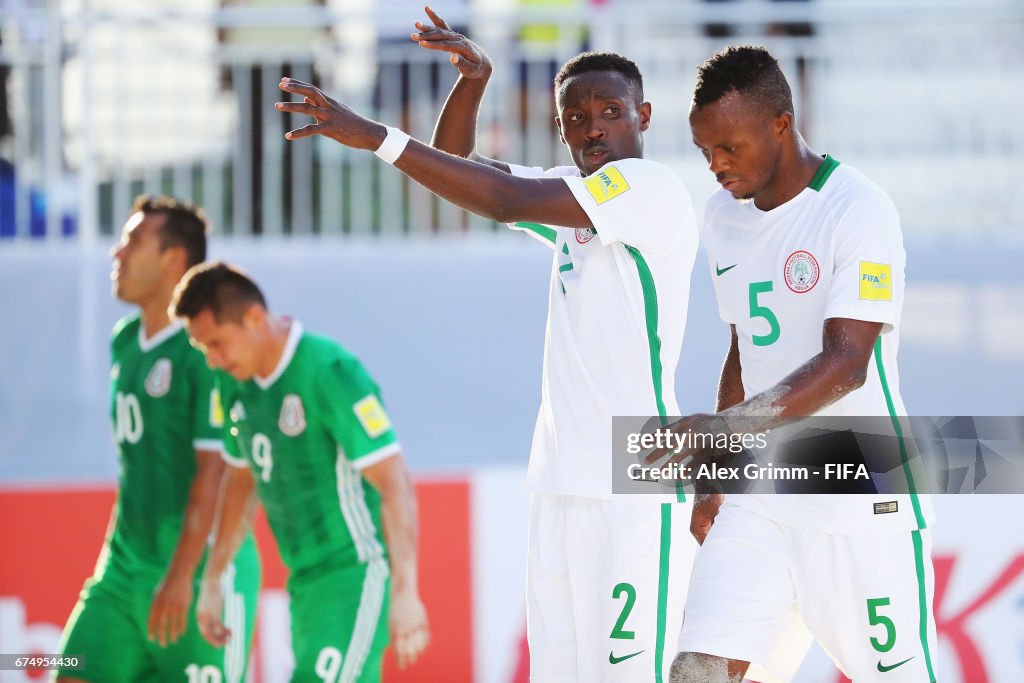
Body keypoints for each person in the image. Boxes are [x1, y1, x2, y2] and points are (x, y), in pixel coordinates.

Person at [277, 8, 700, 679]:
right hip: (559, 482)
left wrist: (374, 136)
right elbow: (465, 175)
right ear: (560, 127)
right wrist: (473, 83)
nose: (594, 127)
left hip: (636, 481)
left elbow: (501, 199)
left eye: (610, 111)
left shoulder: (651, 189)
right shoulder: (575, 194)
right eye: (577, 116)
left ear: (644, 116)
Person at [664, 46, 937, 682]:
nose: (716, 165)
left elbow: (847, 364)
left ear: (782, 123)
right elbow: (742, 346)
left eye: (730, 147)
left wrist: (721, 430)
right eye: (705, 151)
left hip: (861, 490)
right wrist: (716, 473)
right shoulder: (721, 218)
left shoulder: (856, 208)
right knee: (697, 673)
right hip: (763, 494)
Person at [171, 262, 430, 682]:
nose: (213, 361)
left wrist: (406, 593)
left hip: (356, 571)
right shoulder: (233, 381)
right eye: (204, 350)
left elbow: (394, 482)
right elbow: (240, 480)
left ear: (254, 318)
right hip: (305, 583)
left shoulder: (329, 370)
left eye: (217, 343)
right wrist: (214, 578)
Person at [55, 197, 260, 683]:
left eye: (132, 241)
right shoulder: (124, 340)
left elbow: (214, 472)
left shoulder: (206, 354)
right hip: (121, 575)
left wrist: (179, 578)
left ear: (173, 260)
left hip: (196, 575)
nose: (117, 254)